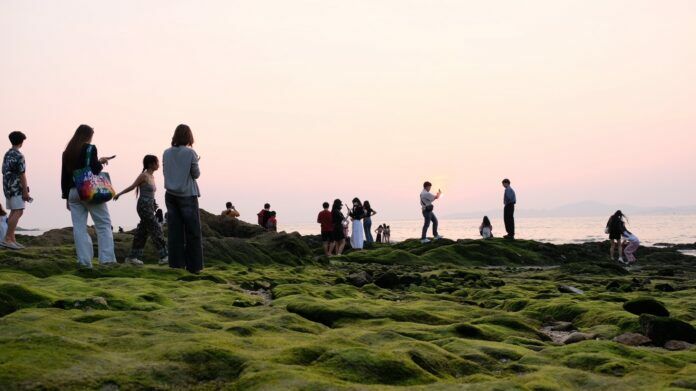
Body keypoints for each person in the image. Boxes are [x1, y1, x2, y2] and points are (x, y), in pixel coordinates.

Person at [61, 124, 116, 268]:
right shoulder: (90, 148)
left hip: (73, 191)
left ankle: (84, 262)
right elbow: (94, 169)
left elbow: (64, 177)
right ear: (88, 136)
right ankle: (107, 260)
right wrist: (101, 162)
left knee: (79, 228)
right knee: (103, 224)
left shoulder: (67, 152)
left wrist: (66, 196)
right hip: (88, 191)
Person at [113, 154, 169, 266]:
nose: (158, 164)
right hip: (143, 206)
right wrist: (119, 194)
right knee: (156, 228)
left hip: (149, 206)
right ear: (150, 164)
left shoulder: (152, 177)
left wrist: (153, 203)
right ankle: (164, 256)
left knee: (142, 232)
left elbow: (150, 193)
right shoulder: (144, 176)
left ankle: (133, 257)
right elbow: (132, 186)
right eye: (156, 162)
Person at [163, 124, 203, 273]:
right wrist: (196, 161)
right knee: (192, 232)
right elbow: (196, 174)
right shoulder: (191, 153)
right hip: (187, 194)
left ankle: (176, 264)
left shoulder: (166, 153)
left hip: (171, 194)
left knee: (175, 232)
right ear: (189, 137)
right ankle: (194, 266)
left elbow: (167, 171)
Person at [2, 131, 30, 249]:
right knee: (19, 211)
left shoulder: (7, 154)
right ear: (21, 142)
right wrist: (25, 191)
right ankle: (7, 238)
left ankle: (12, 238)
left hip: (7, 187)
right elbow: (22, 174)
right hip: (16, 187)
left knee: (14, 211)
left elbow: (3, 171)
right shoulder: (19, 156)